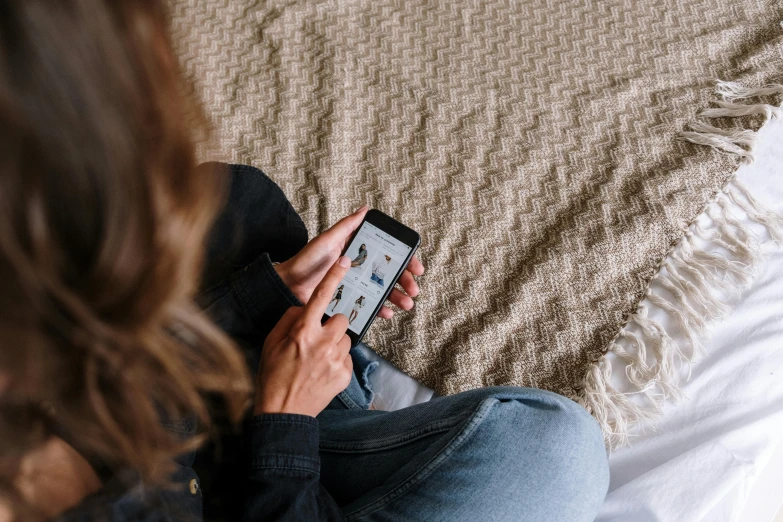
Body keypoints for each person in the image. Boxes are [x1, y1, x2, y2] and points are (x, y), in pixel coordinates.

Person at [0, 2, 610, 522]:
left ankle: (302, 354)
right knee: (555, 452)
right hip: (259, 470)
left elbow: (127, 401)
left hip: (212, 419)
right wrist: (285, 422)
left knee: (238, 202)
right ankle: (314, 378)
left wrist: (267, 294)